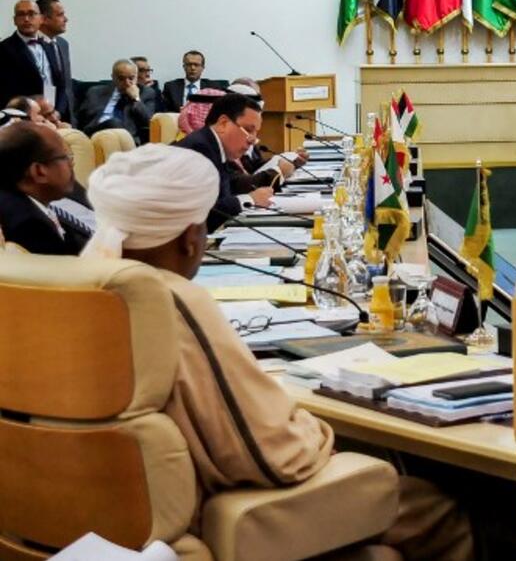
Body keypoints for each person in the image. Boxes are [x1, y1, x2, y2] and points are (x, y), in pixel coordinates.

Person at [79, 144, 473, 560]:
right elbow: (270, 454)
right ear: (192, 238)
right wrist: (323, 436)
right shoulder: (169, 300)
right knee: (436, 507)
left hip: (112, 523)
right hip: (201, 520)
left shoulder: (80, 287)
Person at [173, 92, 273, 230]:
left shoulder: (214, 146)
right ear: (223, 123)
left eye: (256, 133)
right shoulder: (199, 150)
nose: (253, 140)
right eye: (249, 130)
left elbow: (229, 189)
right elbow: (200, 216)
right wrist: (249, 200)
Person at [0, 122, 91, 255]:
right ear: (39, 171)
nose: (72, 163)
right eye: (65, 157)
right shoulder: (30, 227)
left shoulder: (17, 199)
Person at [76, 59, 151, 141]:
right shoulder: (95, 92)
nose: (127, 82)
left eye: (131, 78)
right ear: (113, 77)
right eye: (121, 78)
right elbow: (80, 117)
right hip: (95, 133)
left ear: (136, 77)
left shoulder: (146, 93)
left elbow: (150, 122)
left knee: (115, 124)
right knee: (113, 122)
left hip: (127, 138)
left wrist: (136, 99)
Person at [0, 0, 55, 109]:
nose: (26, 19)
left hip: (52, 111)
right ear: (14, 20)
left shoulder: (50, 46)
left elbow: (59, 82)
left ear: (41, 19)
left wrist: (58, 111)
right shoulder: (4, 49)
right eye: (21, 15)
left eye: (31, 14)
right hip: (23, 114)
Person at [36, 0, 74, 122]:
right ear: (44, 19)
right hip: (40, 116)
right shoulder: (30, 46)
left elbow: (66, 85)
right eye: (60, 15)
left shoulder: (63, 44)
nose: (66, 19)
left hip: (64, 115)